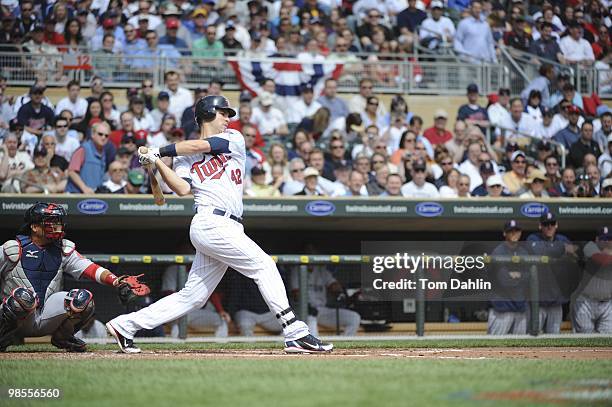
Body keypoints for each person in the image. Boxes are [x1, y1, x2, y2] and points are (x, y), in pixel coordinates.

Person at [106, 95, 333, 353]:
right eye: (223, 113)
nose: (228, 118)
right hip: (211, 222)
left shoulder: (233, 139)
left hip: (227, 225)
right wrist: (156, 162)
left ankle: (125, 325)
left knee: (193, 296)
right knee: (263, 266)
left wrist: (160, 151)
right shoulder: (182, 157)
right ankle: (295, 331)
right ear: (207, 114)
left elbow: (197, 147)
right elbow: (180, 188)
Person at [0, 203, 145, 352]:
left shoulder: (62, 249)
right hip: (16, 317)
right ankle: (2, 337)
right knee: (24, 297)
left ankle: (63, 338)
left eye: (58, 222)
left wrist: (115, 280)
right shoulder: (12, 248)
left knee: (83, 300)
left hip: (45, 316)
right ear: (34, 226)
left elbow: (90, 268)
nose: (57, 226)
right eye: (50, 222)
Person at [526, 212, 578, 334]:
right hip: (537, 302)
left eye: (552, 224)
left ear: (556, 225)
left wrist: (555, 251)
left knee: (554, 338)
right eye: (545, 224)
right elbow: (537, 250)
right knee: (533, 338)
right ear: (540, 226)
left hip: (556, 301)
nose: (549, 227)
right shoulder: (533, 238)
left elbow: (575, 253)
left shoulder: (563, 239)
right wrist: (562, 249)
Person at [291, 265, 361, 336]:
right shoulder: (297, 270)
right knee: (311, 319)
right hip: (303, 312)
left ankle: (345, 344)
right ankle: (315, 345)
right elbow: (296, 295)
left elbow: (334, 285)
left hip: (321, 311)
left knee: (354, 318)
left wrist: (340, 292)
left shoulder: (321, 270)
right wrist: (306, 306)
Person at [488, 220, 529, 335]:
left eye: (517, 230)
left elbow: (529, 277)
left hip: (520, 309)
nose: (514, 233)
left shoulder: (523, 252)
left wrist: (518, 275)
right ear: (504, 233)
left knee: (520, 349)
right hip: (502, 309)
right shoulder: (498, 252)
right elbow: (505, 280)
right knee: (494, 347)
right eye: (510, 231)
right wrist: (520, 276)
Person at [571, 227, 612, 333]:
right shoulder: (590, 246)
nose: (606, 241)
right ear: (597, 240)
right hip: (586, 302)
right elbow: (602, 260)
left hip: (607, 304)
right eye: (603, 239)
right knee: (585, 339)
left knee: (606, 343)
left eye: (609, 239)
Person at [65, 122, 110, 194]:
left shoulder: (103, 153)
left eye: (106, 135)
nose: (103, 137)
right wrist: (84, 188)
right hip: (76, 195)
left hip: (92, 197)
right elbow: (71, 172)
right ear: (92, 134)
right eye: (100, 134)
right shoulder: (83, 149)